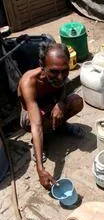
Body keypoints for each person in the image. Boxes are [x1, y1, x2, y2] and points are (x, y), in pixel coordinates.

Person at [18, 42, 84, 190]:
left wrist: (60, 103)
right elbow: (36, 124)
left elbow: (62, 87)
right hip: (32, 117)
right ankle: (41, 145)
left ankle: (58, 126)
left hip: (49, 107)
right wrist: (40, 169)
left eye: (65, 71)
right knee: (38, 122)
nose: (60, 77)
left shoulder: (60, 73)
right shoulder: (29, 82)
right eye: (54, 72)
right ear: (42, 65)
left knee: (77, 102)